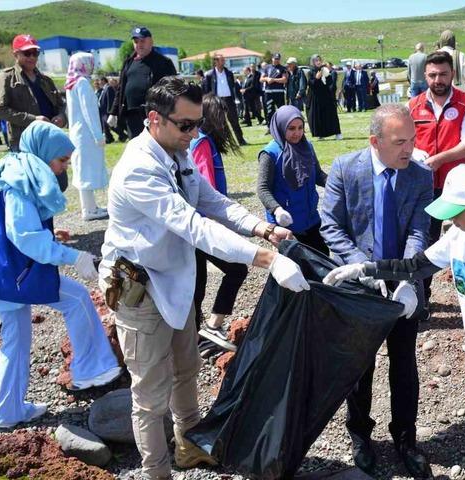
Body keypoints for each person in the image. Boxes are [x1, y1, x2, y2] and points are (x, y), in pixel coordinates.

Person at [99, 76, 309, 479]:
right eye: (186, 125)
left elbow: (210, 201)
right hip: (141, 291)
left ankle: (188, 447)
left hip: (175, 282)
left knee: (187, 368)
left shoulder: (175, 151)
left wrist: (261, 228)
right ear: (154, 119)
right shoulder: (139, 169)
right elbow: (192, 224)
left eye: (197, 124)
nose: (194, 133)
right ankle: (157, 471)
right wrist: (265, 259)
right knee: (149, 395)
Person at [323, 163, 465, 480]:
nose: (450, 218)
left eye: (457, 211)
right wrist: (366, 269)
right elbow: (415, 266)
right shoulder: (457, 237)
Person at [0, 121, 121, 430]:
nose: (64, 168)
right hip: (10, 276)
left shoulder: (19, 172)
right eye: (62, 160)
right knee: (76, 298)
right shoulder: (20, 184)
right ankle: (92, 369)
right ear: (44, 153)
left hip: (3, 273)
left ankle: (9, 411)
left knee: (17, 341)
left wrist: (55, 239)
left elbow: (24, 231)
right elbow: (27, 238)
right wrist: (73, 256)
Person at [319, 104, 434, 478]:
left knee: (404, 366)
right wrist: (362, 269)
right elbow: (331, 226)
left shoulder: (419, 176)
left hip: (402, 284)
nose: (410, 149)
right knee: (360, 367)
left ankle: (406, 440)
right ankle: (360, 436)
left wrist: (406, 277)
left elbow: (419, 231)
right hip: (359, 286)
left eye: (413, 140)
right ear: (375, 141)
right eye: (401, 141)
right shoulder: (345, 168)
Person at [409, 50, 465, 305]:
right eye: (432, 75)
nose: (437, 80)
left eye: (443, 74)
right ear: (425, 75)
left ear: (452, 74)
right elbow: (408, 142)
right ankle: (422, 298)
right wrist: (417, 153)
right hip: (425, 187)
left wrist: (439, 158)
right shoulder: (414, 105)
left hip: (460, 188)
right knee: (426, 242)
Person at [189, 94, 246, 353]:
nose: (224, 121)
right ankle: (209, 328)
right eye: (220, 116)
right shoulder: (202, 143)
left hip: (198, 226)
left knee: (197, 284)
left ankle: (195, 337)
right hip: (200, 227)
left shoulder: (203, 141)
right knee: (234, 270)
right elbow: (206, 189)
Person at [257, 105, 329, 254]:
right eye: (291, 128)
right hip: (285, 224)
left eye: (300, 128)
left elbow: (318, 174)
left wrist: (337, 184)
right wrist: (277, 210)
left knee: (321, 257)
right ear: (281, 127)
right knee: (292, 266)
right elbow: (263, 188)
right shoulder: (270, 154)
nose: (297, 133)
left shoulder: (307, 146)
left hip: (310, 219)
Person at [0, 34, 67, 152]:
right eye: (27, 53)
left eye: (35, 53)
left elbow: (61, 105)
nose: (32, 57)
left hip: (50, 138)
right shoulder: (5, 78)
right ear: (15, 54)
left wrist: (61, 117)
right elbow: (0, 110)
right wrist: (33, 119)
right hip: (24, 142)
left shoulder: (46, 80)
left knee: (57, 171)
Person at [108, 26, 177, 139]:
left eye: (142, 41)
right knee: (136, 149)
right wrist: (113, 112)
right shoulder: (128, 62)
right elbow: (121, 90)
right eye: (136, 41)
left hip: (154, 115)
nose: (139, 44)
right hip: (131, 115)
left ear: (151, 41)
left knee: (155, 148)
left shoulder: (163, 62)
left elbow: (174, 89)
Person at [65, 52, 109, 221]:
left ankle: (90, 206)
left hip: (78, 132)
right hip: (86, 134)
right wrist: (98, 135)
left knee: (82, 170)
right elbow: (89, 112)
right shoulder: (82, 83)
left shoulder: (72, 83)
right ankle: (89, 209)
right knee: (86, 170)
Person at [201, 54, 248, 146]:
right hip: (216, 101)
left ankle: (241, 140)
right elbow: (205, 90)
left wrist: (237, 98)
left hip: (229, 100)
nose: (224, 62)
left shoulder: (229, 73)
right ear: (216, 62)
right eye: (221, 60)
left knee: (234, 120)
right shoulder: (209, 75)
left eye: (224, 60)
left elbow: (233, 87)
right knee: (219, 122)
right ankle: (223, 143)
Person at [306, 55, 342, 140]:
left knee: (331, 115)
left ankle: (337, 133)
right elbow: (311, 84)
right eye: (316, 61)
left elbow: (330, 82)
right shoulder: (311, 72)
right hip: (315, 97)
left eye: (319, 60)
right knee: (317, 116)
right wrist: (316, 78)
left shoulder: (325, 70)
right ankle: (320, 134)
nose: (318, 62)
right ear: (313, 62)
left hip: (326, 96)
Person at [261, 53, 289, 126]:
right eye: (275, 58)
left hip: (279, 92)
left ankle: (282, 125)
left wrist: (273, 79)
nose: (276, 60)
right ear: (272, 58)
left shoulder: (283, 68)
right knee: (269, 110)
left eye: (278, 59)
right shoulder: (267, 67)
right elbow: (261, 79)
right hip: (268, 92)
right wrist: (267, 79)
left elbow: (284, 79)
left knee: (281, 110)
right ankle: (270, 127)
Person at [99, 77, 123, 143]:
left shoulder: (108, 88)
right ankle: (109, 139)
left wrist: (110, 111)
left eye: (100, 81)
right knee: (105, 126)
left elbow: (110, 100)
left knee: (110, 125)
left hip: (107, 111)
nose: (99, 82)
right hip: (103, 111)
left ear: (104, 81)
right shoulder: (103, 89)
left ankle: (123, 135)